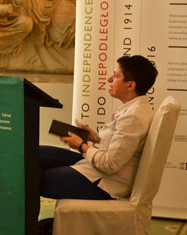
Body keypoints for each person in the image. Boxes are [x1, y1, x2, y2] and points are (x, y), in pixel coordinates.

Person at [38, 55, 158, 230]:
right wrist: (93, 138)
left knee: (34, 175)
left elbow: (111, 164)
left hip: (105, 182)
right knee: (33, 153)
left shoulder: (133, 116)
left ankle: (33, 228)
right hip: (96, 169)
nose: (109, 79)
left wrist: (81, 145)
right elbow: (120, 146)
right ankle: (44, 227)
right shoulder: (135, 108)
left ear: (131, 85)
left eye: (116, 75)